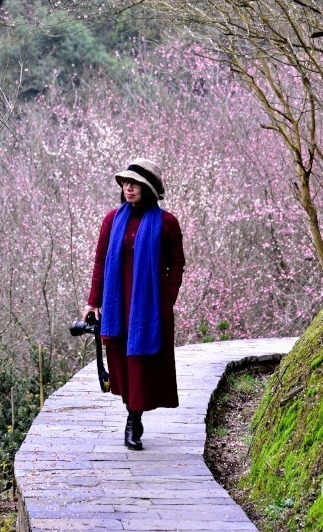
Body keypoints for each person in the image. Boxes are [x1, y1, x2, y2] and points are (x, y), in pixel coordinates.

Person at [82, 157, 185, 450]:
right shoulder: (112, 219)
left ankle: (133, 421)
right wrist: (93, 301)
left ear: (148, 188)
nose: (128, 188)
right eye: (125, 183)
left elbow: (177, 265)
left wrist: (167, 298)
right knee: (124, 365)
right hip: (118, 306)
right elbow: (101, 261)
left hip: (149, 308)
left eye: (134, 184)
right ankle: (132, 414)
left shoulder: (167, 223)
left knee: (140, 364)